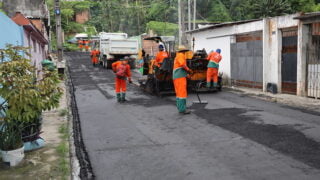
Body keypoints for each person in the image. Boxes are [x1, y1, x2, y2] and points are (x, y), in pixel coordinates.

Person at [173, 46, 193, 114]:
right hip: (180, 78)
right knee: (182, 93)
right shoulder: (181, 55)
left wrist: (186, 75)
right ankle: (182, 110)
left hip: (177, 77)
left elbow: (180, 67)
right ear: (183, 51)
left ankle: (180, 108)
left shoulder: (177, 56)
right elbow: (182, 65)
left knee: (178, 93)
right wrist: (188, 70)